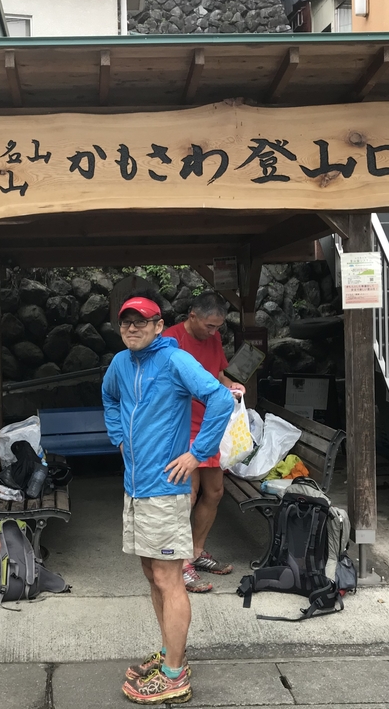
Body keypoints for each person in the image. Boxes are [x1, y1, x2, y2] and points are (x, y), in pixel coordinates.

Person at [102, 291, 234, 705]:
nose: (133, 328)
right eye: (127, 322)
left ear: (159, 326)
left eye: (141, 321)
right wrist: (118, 437)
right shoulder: (121, 363)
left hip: (165, 489)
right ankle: (169, 652)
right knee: (151, 574)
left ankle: (175, 675)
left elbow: (221, 397)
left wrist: (197, 453)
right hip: (135, 488)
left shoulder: (174, 359)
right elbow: (109, 397)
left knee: (168, 578)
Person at [163, 292, 245, 594]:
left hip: (210, 426)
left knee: (214, 491)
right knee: (188, 492)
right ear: (192, 315)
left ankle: (196, 552)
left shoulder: (214, 340)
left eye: (218, 327)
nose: (214, 333)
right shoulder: (170, 341)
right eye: (209, 326)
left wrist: (231, 386)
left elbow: (219, 374)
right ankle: (178, 562)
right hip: (181, 427)